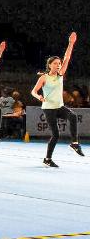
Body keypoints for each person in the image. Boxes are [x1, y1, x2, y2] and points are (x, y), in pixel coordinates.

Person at [30, 32, 84, 167]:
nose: (59, 65)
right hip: (49, 108)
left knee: (72, 116)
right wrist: (39, 96)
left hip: (59, 106)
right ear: (50, 65)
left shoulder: (60, 75)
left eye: (59, 63)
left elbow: (67, 57)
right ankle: (47, 159)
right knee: (56, 135)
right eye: (55, 63)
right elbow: (33, 91)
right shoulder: (43, 78)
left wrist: (71, 43)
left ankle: (74, 143)